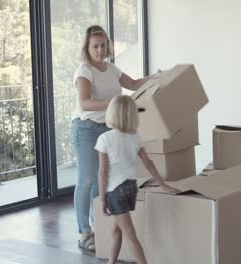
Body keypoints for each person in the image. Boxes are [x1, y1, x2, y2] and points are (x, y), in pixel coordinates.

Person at [71, 25, 156, 250]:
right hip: (86, 129)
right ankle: (84, 232)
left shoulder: (111, 69)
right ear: (87, 48)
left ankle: (98, 228)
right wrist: (114, 103)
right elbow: (85, 103)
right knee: (86, 180)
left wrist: (156, 77)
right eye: (95, 46)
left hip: (108, 129)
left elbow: (135, 84)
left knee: (102, 183)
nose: (100, 50)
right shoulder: (84, 71)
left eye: (103, 45)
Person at [95, 95, 179, 264]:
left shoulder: (105, 139)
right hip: (131, 188)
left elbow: (103, 172)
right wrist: (163, 184)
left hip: (115, 192)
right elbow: (148, 163)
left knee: (130, 235)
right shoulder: (135, 138)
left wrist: (103, 198)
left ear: (111, 113)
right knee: (116, 230)